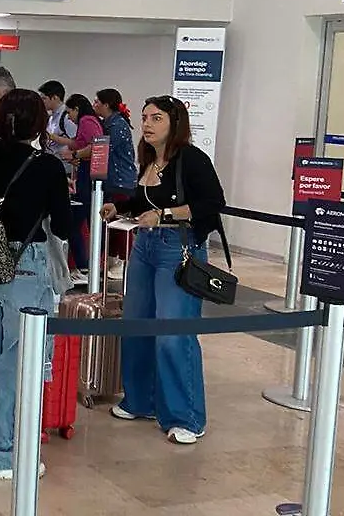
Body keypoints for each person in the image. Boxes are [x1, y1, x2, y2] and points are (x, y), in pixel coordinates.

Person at [100, 95, 224, 445]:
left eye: (156, 118)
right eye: (144, 117)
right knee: (137, 325)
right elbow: (146, 201)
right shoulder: (149, 158)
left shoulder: (192, 159)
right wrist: (121, 207)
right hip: (145, 247)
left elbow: (212, 204)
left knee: (173, 334)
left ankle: (186, 417)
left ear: (175, 123)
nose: (147, 124)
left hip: (178, 249)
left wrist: (165, 215)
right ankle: (141, 400)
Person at [0, 88, 71, 480]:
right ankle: (3, 449)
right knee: (20, 358)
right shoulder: (47, 166)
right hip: (25, 264)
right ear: (38, 123)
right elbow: (62, 225)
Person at [51, 94, 103, 285]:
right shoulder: (86, 122)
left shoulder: (87, 121)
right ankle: (86, 267)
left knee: (75, 222)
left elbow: (96, 146)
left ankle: (84, 267)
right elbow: (78, 142)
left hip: (88, 176)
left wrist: (74, 155)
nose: (69, 117)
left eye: (69, 112)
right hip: (85, 173)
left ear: (77, 109)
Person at [94, 88, 139, 280]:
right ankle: (111, 260)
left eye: (97, 101)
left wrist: (77, 153)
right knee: (110, 224)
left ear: (106, 104)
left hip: (122, 182)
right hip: (112, 180)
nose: (94, 105)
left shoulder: (118, 125)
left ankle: (122, 261)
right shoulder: (107, 124)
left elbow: (103, 148)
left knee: (121, 225)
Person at [38, 80, 77, 176]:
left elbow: (76, 142)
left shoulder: (66, 116)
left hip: (65, 169)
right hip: (52, 166)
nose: (42, 102)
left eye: (44, 98)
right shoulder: (51, 117)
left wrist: (53, 137)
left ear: (55, 98)